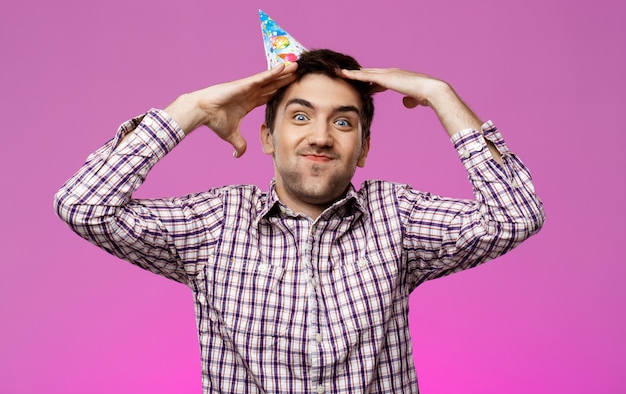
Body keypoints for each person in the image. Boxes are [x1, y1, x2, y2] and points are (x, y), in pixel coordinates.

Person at [54, 49, 544, 393]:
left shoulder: (397, 217)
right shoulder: (216, 223)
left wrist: (439, 94)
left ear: (365, 148)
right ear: (267, 137)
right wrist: (192, 108)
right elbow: (83, 204)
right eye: (301, 116)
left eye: (344, 121)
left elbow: (515, 215)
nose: (322, 137)